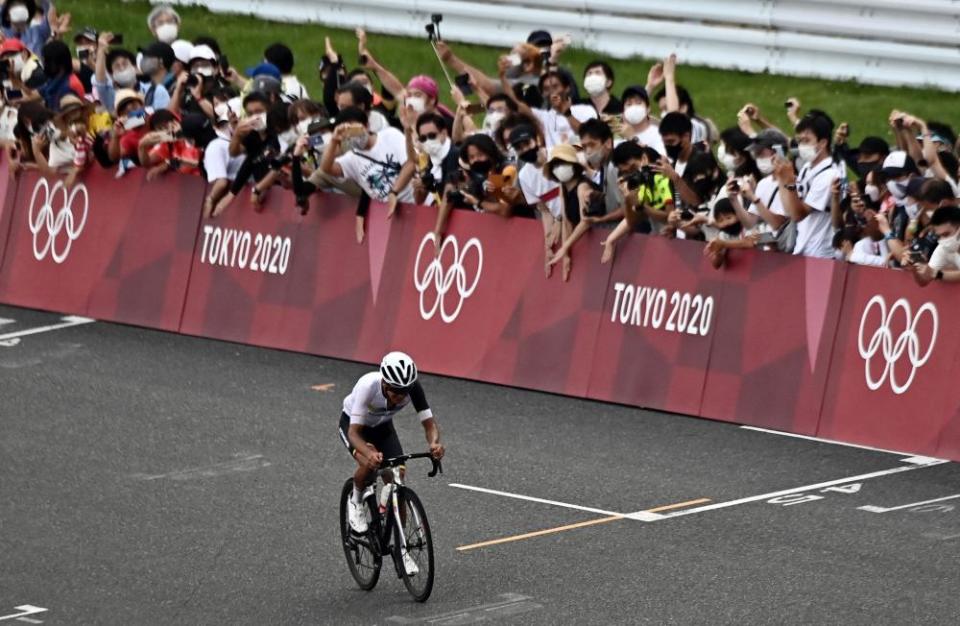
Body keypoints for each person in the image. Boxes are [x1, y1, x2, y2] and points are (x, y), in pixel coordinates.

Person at [339, 351, 444, 576]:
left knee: (397, 478)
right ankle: (356, 502)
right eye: (395, 392)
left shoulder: (412, 388)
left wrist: (434, 443)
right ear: (385, 383)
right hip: (355, 426)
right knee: (371, 461)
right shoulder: (368, 386)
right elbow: (354, 433)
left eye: (403, 392)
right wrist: (368, 452)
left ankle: (401, 548)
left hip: (383, 428)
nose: (399, 397)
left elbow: (429, 424)